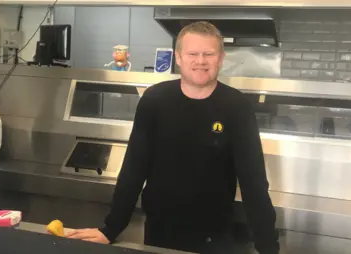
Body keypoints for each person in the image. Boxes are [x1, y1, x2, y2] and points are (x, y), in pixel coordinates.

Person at [66, 21, 280, 254]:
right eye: (192, 54)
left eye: (209, 54)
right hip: (159, 235)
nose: (200, 61)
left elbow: (254, 183)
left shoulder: (237, 107)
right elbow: (134, 169)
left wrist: (268, 248)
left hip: (215, 238)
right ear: (178, 57)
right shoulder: (155, 100)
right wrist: (111, 228)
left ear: (220, 59)